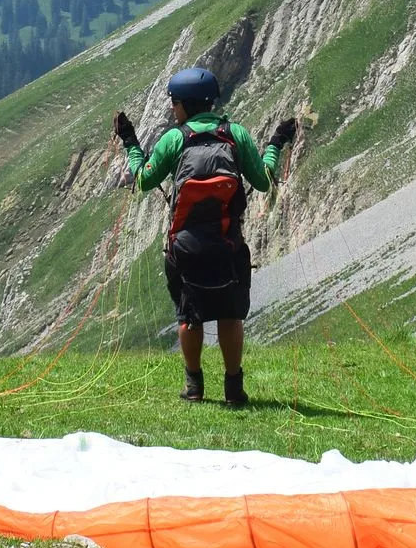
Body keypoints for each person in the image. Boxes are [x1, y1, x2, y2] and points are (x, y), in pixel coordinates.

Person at [114, 67, 297, 406]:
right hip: (229, 245)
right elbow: (264, 181)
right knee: (230, 314)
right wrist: (276, 143)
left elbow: (142, 181)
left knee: (189, 315)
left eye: (174, 102)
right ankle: (233, 388)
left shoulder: (174, 139)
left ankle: (194, 387)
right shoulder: (236, 135)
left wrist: (130, 142)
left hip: (185, 249)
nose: (172, 108)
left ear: (185, 105)